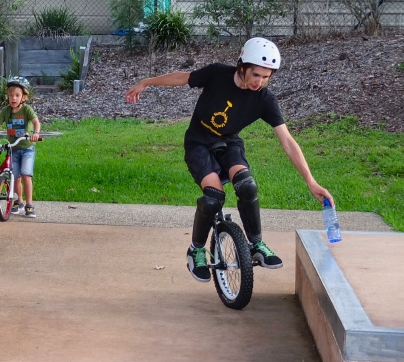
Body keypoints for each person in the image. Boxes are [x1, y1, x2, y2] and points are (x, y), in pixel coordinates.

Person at [125, 37, 334, 282]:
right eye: (256, 74)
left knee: (247, 185)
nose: (260, 82)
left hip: (229, 142)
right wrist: (146, 82)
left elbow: (287, 141)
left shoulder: (265, 100)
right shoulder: (217, 74)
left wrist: (310, 181)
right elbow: (183, 77)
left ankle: (256, 245)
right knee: (213, 197)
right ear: (242, 65)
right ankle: (196, 250)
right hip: (198, 143)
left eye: (266, 77)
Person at [0, 76, 41, 217]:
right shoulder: (6, 111)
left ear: (24, 98)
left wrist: (35, 133)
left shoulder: (26, 110)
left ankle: (29, 204)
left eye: (17, 95)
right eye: (11, 95)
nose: (13, 98)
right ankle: (18, 201)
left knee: (26, 175)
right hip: (13, 149)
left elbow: (36, 122)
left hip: (27, 149)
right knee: (15, 177)